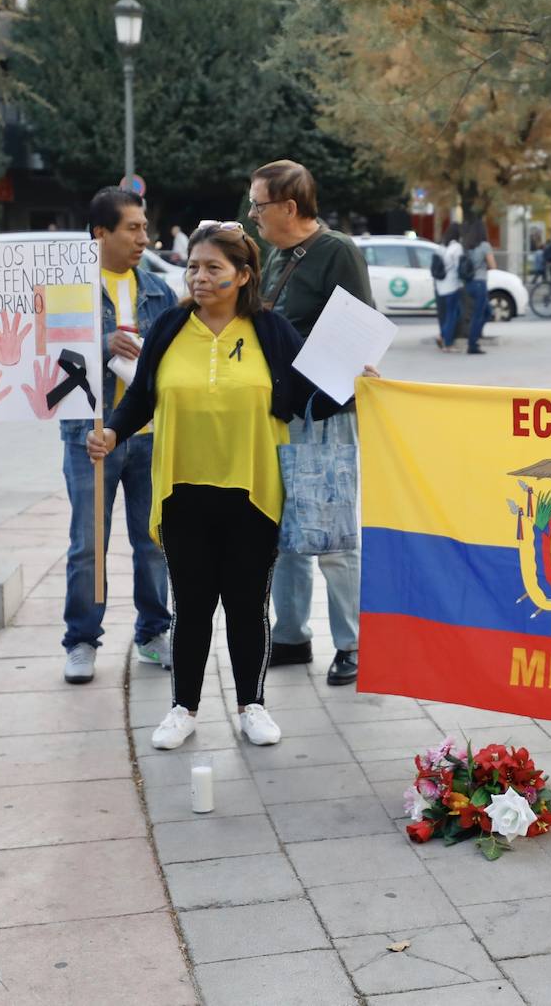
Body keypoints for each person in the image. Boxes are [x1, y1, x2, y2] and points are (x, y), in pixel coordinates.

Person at [87, 223, 373, 748]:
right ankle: (183, 708)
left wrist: (356, 383)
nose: (199, 276)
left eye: (213, 268)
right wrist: (110, 431)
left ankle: (252, 704)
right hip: (181, 489)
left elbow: (312, 396)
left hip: (253, 490)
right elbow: (141, 397)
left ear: (243, 276)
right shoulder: (171, 326)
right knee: (192, 605)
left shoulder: (272, 331)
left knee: (247, 605)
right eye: (193, 266)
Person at [250, 159, 373, 686]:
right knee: (284, 535)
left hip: (323, 412)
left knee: (334, 537)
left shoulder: (336, 251)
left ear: (289, 207)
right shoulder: (273, 257)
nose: (253, 214)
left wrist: (323, 388)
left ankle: (352, 644)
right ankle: (293, 634)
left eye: (259, 204)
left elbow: (358, 328)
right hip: (280, 412)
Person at [60, 187, 175, 684]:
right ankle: (81, 640)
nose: (143, 238)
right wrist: (96, 341)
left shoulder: (159, 290)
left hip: (153, 436)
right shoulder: (70, 291)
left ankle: (153, 633)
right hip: (91, 436)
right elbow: (43, 361)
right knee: (89, 542)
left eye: (145, 228)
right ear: (99, 232)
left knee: (153, 540)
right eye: (132, 228)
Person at [462, 219, 496, 355]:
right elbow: (493, 265)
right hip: (480, 283)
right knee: (479, 314)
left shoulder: (467, 246)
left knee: (487, 312)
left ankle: (474, 337)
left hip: (469, 283)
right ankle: (472, 344)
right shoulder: (484, 246)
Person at [434, 224, 464, 352]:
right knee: (453, 315)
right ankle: (447, 343)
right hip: (452, 286)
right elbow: (459, 267)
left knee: (449, 314)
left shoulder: (441, 247)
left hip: (440, 286)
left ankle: (444, 337)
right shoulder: (456, 247)